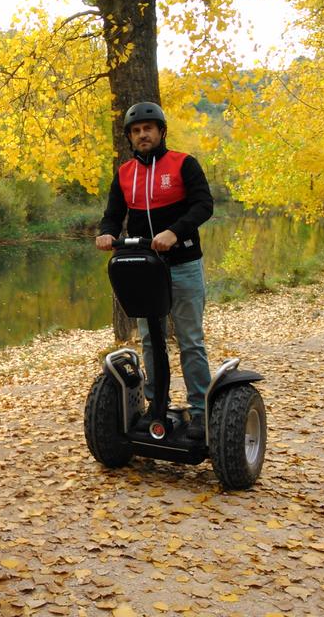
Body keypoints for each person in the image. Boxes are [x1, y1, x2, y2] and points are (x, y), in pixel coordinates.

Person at [95, 101, 213, 439]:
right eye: (136, 131)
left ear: (161, 132)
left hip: (183, 263)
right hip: (144, 269)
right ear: (130, 138)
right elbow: (113, 214)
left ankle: (201, 412)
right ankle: (155, 406)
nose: (142, 134)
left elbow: (204, 205)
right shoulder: (124, 173)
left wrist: (174, 232)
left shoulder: (183, 164)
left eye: (148, 128)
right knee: (150, 339)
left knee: (190, 340)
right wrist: (107, 233)